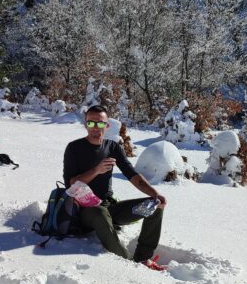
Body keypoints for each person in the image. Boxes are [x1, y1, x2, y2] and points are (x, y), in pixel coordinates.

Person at [63, 106, 168, 270]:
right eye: (91, 123)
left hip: (108, 207)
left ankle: (143, 258)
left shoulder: (112, 147)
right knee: (100, 212)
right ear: (85, 124)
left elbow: (132, 175)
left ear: (107, 126)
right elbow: (71, 184)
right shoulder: (74, 148)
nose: (95, 128)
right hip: (83, 211)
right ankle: (128, 264)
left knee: (154, 206)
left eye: (100, 123)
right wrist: (96, 171)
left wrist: (155, 194)